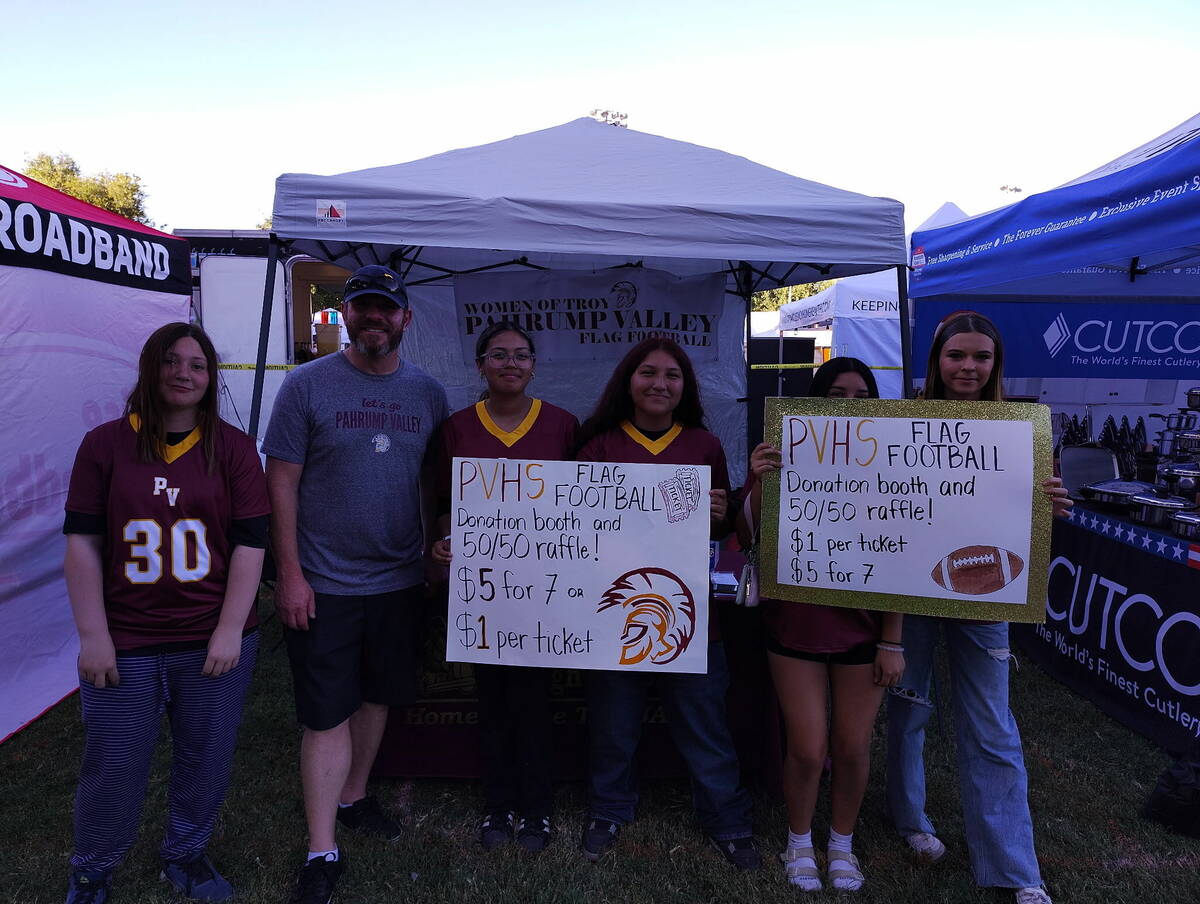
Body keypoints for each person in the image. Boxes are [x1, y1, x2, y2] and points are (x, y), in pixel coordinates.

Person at [62, 322, 269, 904]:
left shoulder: (231, 447)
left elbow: (251, 542)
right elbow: (82, 542)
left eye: (198, 364)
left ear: (211, 377)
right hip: (125, 634)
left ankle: (185, 853)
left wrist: (230, 628)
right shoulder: (104, 444)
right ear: (150, 369)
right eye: (172, 362)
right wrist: (92, 634)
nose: (184, 373)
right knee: (113, 762)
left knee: (205, 756)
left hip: (210, 634)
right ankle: (93, 868)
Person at [263, 265, 448, 904]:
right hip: (324, 582)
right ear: (345, 313)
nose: (374, 317)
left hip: (398, 579)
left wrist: (428, 552)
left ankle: (354, 797)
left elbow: (429, 481)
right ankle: (321, 849)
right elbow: (280, 479)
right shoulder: (307, 386)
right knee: (325, 712)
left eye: (385, 309)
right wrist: (288, 573)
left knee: (376, 698)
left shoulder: (427, 393)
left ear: (405, 319)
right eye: (362, 307)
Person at [885, 311, 1071, 904]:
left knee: (992, 728)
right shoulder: (901, 423)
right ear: (935, 360)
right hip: (911, 592)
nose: (968, 367)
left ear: (997, 365)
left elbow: (1028, 524)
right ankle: (911, 821)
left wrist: (1049, 510)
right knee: (908, 712)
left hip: (983, 591)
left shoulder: (1022, 431)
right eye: (956, 356)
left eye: (981, 358)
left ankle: (1015, 869)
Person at [575, 337, 760, 871]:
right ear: (627, 381)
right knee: (613, 724)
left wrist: (719, 513)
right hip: (617, 614)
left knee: (705, 724)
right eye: (648, 373)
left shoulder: (703, 444)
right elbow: (580, 528)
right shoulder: (600, 445)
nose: (659, 383)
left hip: (692, 613)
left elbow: (720, 529)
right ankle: (609, 809)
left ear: (685, 387)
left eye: (672, 375)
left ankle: (726, 817)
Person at [736, 357, 904, 893]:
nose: (849, 405)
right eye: (838, 393)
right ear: (816, 399)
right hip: (795, 626)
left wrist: (892, 640)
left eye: (862, 396)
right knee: (808, 747)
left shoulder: (892, 465)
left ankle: (843, 844)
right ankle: (799, 839)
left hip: (863, 630)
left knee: (853, 747)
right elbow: (753, 536)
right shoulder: (783, 453)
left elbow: (902, 559)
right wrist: (761, 479)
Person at [428, 321, 578, 853]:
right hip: (484, 593)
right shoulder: (457, 428)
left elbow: (584, 510)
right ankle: (499, 802)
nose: (510, 363)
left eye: (520, 355)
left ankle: (537, 808)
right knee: (491, 701)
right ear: (480, 366)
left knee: (534, 702)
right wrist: (444, 540)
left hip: (545, 590)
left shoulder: (562, 426)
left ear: (534, 365)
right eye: (498, 355)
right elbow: (445, 503)